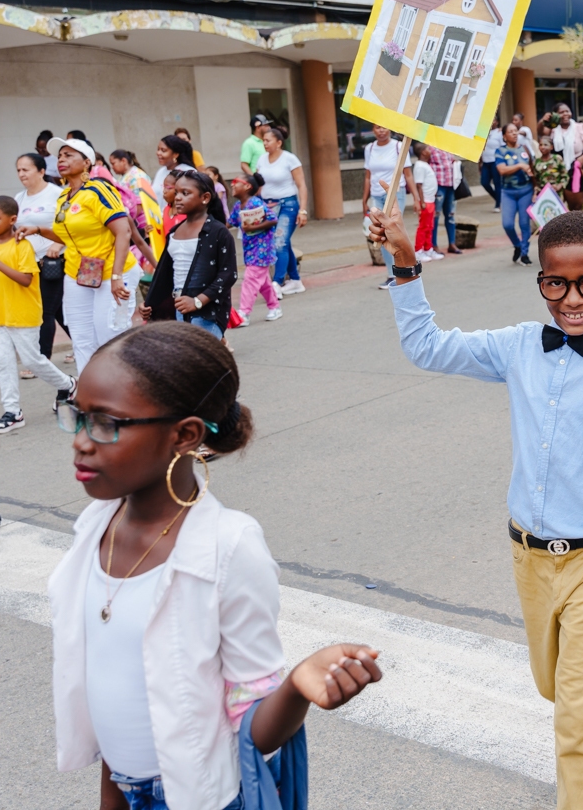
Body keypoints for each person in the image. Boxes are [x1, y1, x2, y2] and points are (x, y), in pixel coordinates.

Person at [368, 207, 583, 808]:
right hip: (528, 554)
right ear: (541, 280)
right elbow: (428, 348)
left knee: (574, 720)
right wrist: (406, 264)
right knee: (554, 685)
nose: (573, 298)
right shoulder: (518, 346)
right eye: (556, 283)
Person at [49, 323, 382, 810]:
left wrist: (296, 686)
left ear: (185, 434)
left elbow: (256, 731)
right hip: (125, 788)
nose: (81, 440)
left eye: (106, 423)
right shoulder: (97, 525)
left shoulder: (228, 547)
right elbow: (118, 688)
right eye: (77, 417)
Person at [20, 139, 140, 373]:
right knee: (82, 337)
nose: (61, 159)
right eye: (59, 156)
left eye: (68, 155)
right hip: (79, 273)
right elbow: (71, 236)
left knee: (111, 335)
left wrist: (117, 277)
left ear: (87, 162)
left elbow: (123, 231)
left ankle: (124, 393)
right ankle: (90, 395)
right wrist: (39, 230)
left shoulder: (99, 189)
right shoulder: (65, 196)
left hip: (114, 271)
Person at [0, 195, 75, 434]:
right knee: (3, 362)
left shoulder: (22, 245)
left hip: (24, 314)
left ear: (12, 219)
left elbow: (27, 280)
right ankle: (13, 412)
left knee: (32, 360)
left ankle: (68, 384)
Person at [143, 170, 236, 339]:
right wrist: (150, 303)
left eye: (185, 193)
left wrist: (198, 301)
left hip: (207, 312)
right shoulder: (174, 232)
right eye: (177, 192)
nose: (178, 197)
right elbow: (165, 274)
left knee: (200, 360)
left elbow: (228, 274)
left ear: (205, 198)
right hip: (180, 309)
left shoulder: (218, 232)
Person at [15, 153, 69, 365]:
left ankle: (41, 360)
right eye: (18, 170)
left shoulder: (58, 194)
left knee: (44, 310)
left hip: (54, 262)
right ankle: (92, 349)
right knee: (59, 312)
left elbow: (69, 226)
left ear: (41, 171)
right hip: (30, 263)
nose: (21, 174)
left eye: (26, 169)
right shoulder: (19, 198)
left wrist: (58, 244)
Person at [255, 127, 308, 296]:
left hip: (288, 205)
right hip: (267, 207)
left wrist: (303, 210)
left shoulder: (289, 159)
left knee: (279, 243)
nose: (265, 143)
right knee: (283, 243)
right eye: (263, 140)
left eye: (268, 140)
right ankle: (295, 280)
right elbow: (258, 185)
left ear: (279, 143)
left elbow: (301, 185)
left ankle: (276, 283)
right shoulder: (262, 160)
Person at [363, 125, 417, 289]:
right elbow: (368, 177)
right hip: (376, 195)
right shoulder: (369, 148)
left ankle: (405, 270)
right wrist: (364, 199)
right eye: (377, 128)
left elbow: (408, 174)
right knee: (381, 235)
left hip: (394, 195)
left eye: (384, 128)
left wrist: (416, 198)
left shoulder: (398, 146)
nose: (381, 131)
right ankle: (391, 274)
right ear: (373, 130)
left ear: (390, 129)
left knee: (393, 232)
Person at [229, 172, 279, 325]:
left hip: (262, 250)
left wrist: (254, 226)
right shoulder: (238, 206)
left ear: (247, 186)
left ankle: (244, 313)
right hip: (249, 250)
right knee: (263, 282)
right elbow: (230, 222)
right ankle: (275, 307)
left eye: (236, 181)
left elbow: (273, 219)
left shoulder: (256, 203)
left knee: (250, 280)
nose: (232, 184)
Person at [495, 122, 536, 265]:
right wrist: (519, 166)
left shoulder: (525, 149)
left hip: (526, 190)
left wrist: (536, 189)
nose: (514, 133)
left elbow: (534, 169)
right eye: (511, 131)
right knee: (507, 224)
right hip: (508, 192)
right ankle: (517, 245)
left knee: (525, 224)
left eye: (516, 131)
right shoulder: (500, 151)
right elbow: (502, 170)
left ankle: (524, 253)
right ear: (504, 136)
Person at [553, 104, 583, 212]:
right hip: (557, 171)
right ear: (556, 115)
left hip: (576, 170)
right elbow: (540, 132)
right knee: (558, 208)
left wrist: (582, 158)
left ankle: (578, 228)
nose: (565, 114)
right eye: (561, 112)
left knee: (576, 207)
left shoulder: (580, 128)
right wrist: (546, 119)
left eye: (567, 111)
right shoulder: (553, 130)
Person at [426, 142, 464, 256]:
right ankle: (434, 244)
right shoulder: (429, 148)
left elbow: (451, 160)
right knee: (435, 216)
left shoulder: (447, 146)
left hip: (451, 185)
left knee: (451, 215)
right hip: (438, 186)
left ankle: (452, 243)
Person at [410, 143, 441, 263]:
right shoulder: (420, 166)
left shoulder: (425, 165)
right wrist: (421, 201)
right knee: (423, 226)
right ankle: (418, 250)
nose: (430, 150)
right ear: (423, 152)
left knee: (430, 226)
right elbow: (419, 185)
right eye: (428, 149)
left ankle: (428, 248)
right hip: (426, 201)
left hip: (430, 200)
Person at [154, 135, 197, 203]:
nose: (158, 153)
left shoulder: (187, 172)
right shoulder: (161, 171)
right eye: (158, 149)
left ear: (175, 154)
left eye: (163, 150)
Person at [480, 116, 503, 208]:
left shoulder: (499, 133)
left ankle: (497, 205)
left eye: (493, 120)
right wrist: (480, 163)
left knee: (497, 183)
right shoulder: (484, 132)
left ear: (497, 122)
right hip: (486, 162)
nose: (491, 122)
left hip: (495, 161)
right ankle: (499, 199)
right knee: (484, 183)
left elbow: (503, 147)